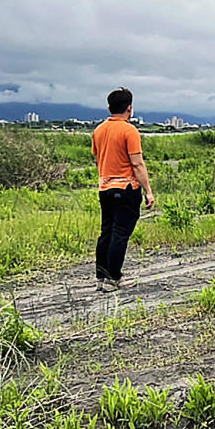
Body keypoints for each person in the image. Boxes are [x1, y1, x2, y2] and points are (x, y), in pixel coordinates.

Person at [91, 87, 155, 292]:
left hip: (105, 188)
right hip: (126, 188)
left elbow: (97, 156)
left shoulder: (99, 130)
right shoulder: (129, 131)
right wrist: (148, 190)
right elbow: (137, 164)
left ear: (109, 108)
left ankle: (101, 277)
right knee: (120, 234)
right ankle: (114, 278)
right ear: (130, 108)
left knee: (106, 233)